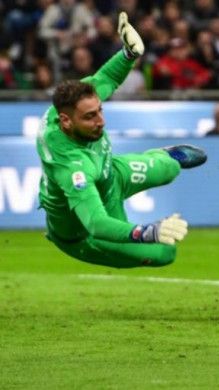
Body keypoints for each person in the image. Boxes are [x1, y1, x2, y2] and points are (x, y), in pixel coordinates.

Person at [36, 13, 207, 269]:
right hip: (84, 233)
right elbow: (96, 222)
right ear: (66, 122)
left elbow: (105, 79)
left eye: (100, 111)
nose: (101, 122)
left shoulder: (71, 103)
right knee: (164, 254)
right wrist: (147, 231)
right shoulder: (73, 167)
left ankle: (163, 156)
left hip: (112, 175)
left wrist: (129, 54)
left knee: (170, 168)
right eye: (90, 117)